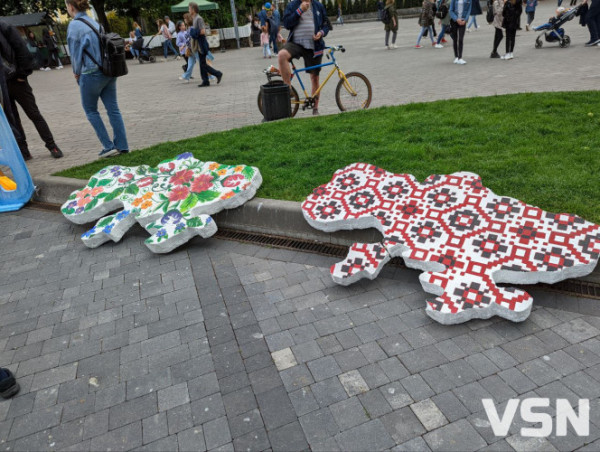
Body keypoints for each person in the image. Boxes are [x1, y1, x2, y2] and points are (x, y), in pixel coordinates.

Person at [66, 0, 129, 157]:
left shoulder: (74, 26)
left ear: (71, 7)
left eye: (66, 6)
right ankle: (122, 145)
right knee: (113, 109)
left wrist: (76, 73)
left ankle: (108, 146)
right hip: (108, 71)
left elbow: (75, 54)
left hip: (90, 73)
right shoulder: (96, 23)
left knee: (91, 110)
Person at [0, 20, 63, 160]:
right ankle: (24, 152)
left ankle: (52, 145)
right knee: (12, 119)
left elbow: (22, 49)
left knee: (34, 114)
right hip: (1, 84)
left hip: (17, 79)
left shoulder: (5, 26)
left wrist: (23, 74)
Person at [278, 0, 330, 115]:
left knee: (315, 78)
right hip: (296, 43)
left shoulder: (318, 6)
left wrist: (321, 33)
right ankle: (288, 89)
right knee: (282, 55)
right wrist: (300, 10)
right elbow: (286, 23)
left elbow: (326, 25)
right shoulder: (293, 5)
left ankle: (315, 108)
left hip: (314, 46)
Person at [189, 2, 224, 87]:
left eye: (189, 8)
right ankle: (205, 81)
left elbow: (203, 31)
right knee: (202, 63)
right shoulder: (194, 19)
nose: (189, 10)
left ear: (193, 9)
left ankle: (218, 74)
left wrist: (193, 32)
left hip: (201, 43)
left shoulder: (199, 18)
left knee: (203, 64)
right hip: (198, 43)